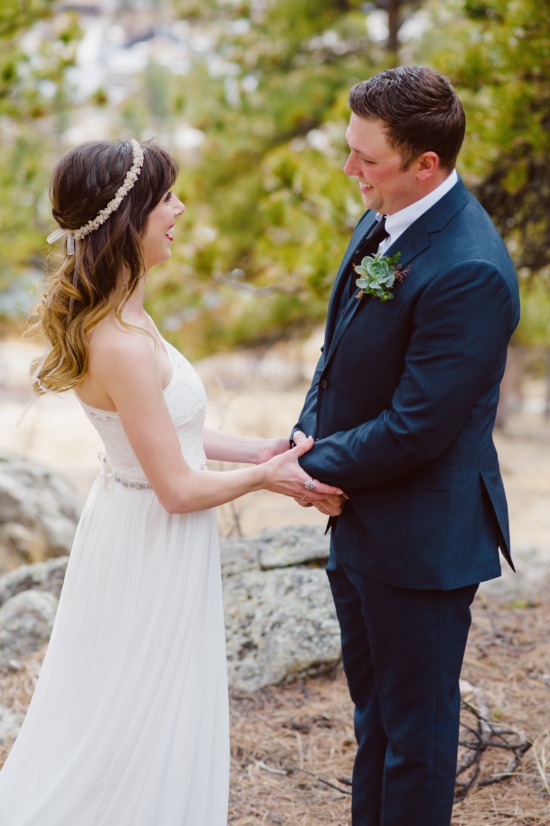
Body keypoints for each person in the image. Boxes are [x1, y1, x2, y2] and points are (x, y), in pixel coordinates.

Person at [0, 138, 343, 825]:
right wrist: (265, 478)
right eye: (165, 199)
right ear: (128, 219)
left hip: (145, 529)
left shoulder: (129, 313)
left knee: (147, 703)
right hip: (149, 542)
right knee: (135, 711)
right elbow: (178, 488)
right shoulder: (120, 343)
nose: (180, 209)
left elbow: (169, 434)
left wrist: (265, 453)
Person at [291, 66, 520, 826]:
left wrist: (302, 469)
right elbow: (339, 353)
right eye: (349, 149)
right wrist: (306, 433)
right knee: (375, 724)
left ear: (428, 163)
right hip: (358, 522)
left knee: (415, 740)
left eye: (367, 157)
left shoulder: (470, 270)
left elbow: (418, 426)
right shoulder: (386, 215)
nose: (349, 170)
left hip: (422, 541)